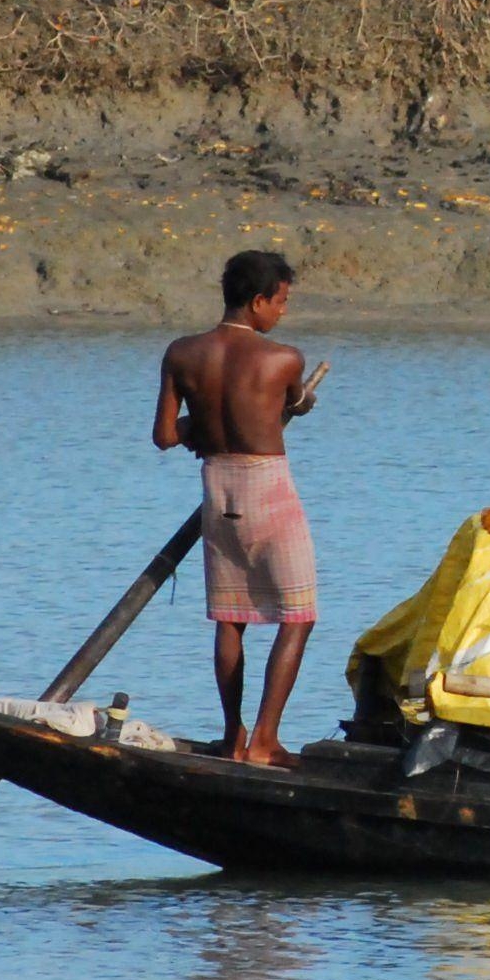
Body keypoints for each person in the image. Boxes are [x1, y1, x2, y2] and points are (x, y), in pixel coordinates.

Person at [153, 249, 328, 767]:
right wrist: (301, 404)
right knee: (297, 617)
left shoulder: (181, 353)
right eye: (281, 302)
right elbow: (292, 401)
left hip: (217, 490)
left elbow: (165, 435)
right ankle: (265, 742)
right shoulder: (284, 358)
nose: (282, 314)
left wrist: (199, 427)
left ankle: (233, 736)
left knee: (230, 619)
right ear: (257, 302)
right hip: (266, 490)